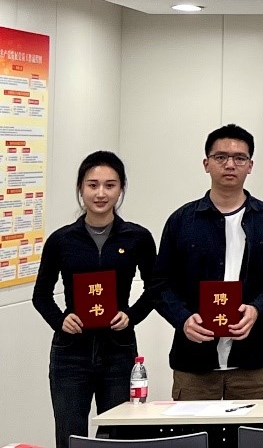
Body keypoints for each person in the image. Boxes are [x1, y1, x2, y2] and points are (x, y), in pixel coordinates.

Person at [152, 124, 263, 400]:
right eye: (220, 157)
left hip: (253, 363)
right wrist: (183, 319)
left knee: (254, 428)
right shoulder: (182, 221)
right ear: (206, 164)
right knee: (192, 430)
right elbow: (160, 284)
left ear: (250, 166)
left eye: (239, 158)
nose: (230, 164)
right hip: (194, 363)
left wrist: (257, 308)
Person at [33, 152, 156, 448]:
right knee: (70, 434)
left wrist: (132, 315)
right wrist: (61, 320)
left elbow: (156, 288)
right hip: (70, 352)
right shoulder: (61, 240)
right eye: (93, 185)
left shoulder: (137, 237)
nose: (101, 193)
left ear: (121, 189)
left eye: (110, 185)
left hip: (118, 349)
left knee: (118, 436)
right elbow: (41, 295)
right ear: (80, 188)